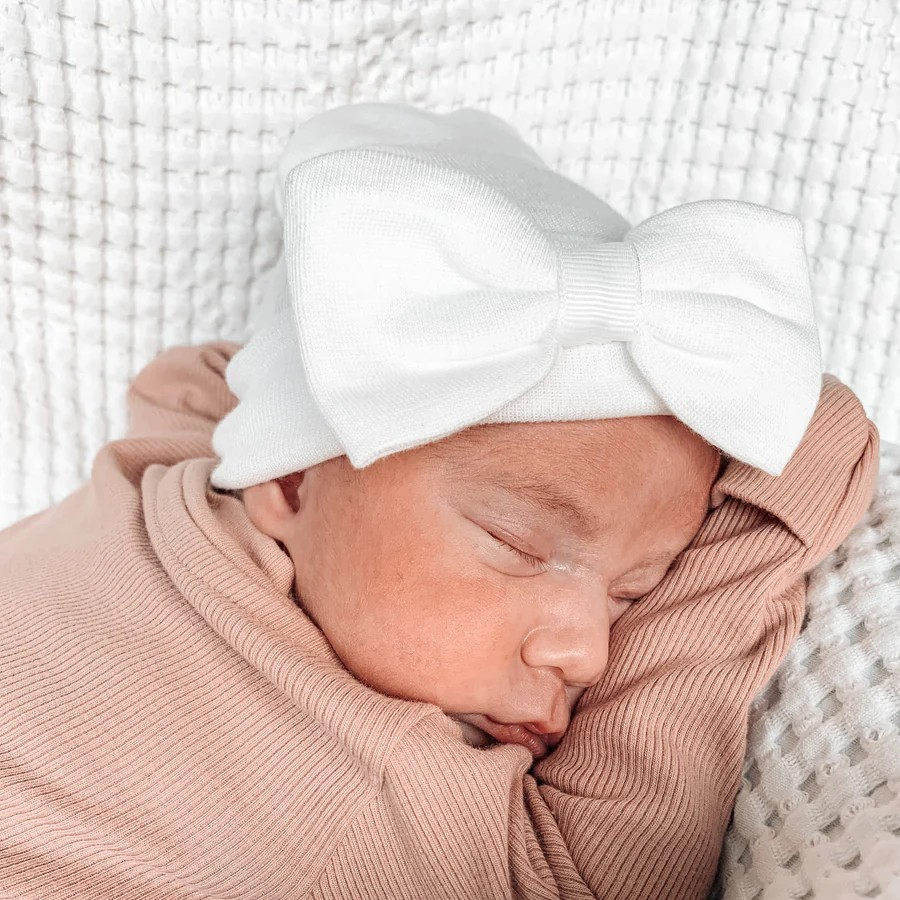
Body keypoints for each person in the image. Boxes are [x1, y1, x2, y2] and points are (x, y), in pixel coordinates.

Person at [0, 102, 880, 899]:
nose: (588, 652)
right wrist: (763, 522)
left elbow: (194, 378)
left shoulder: (162, 477)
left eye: (637, 594)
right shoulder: (363, 786)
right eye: (520, 545)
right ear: (292, 480)